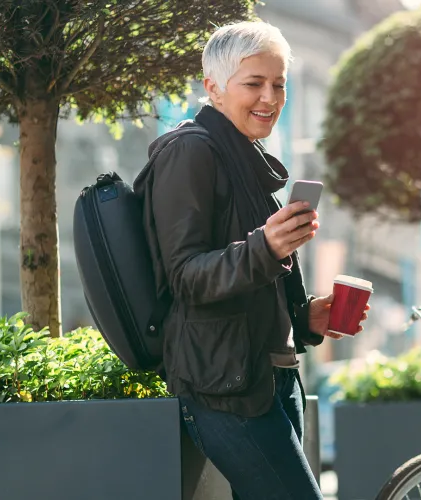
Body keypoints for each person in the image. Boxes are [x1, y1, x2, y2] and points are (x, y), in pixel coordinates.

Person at [133, 21, 369, 499]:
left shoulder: (245, 156)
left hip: (271, 378)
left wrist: (307, 317)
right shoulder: (190, 152)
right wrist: (267, 247)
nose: (270, 97)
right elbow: (186, 278)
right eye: (254, 83)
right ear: (213, 88)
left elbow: (255, 282)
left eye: (279, 84)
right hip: (224, 388)